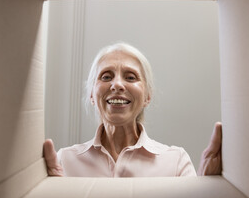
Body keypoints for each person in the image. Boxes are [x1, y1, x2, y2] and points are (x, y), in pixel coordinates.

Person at [43, 43, 222, 177]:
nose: (117, 84)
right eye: (106, 76)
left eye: (130, 77)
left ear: (147, 96)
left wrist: (206, 190)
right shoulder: (65, 161)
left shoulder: (176, 161)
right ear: (91, 94)